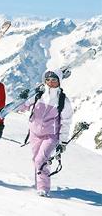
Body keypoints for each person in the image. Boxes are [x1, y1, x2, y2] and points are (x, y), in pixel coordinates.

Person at [18, 69, 72, 197]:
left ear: (59, 82)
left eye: (54, 80)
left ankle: (43, 188)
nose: (51, 83)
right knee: (36, 159)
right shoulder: (38, 94)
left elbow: (66, 121)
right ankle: (38, 184)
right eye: (48, 80)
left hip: (50, 136)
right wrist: (22, 98)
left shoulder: (63, 100)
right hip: (34, 133)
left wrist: (62, 141)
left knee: (41, 159)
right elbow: (23, 107)